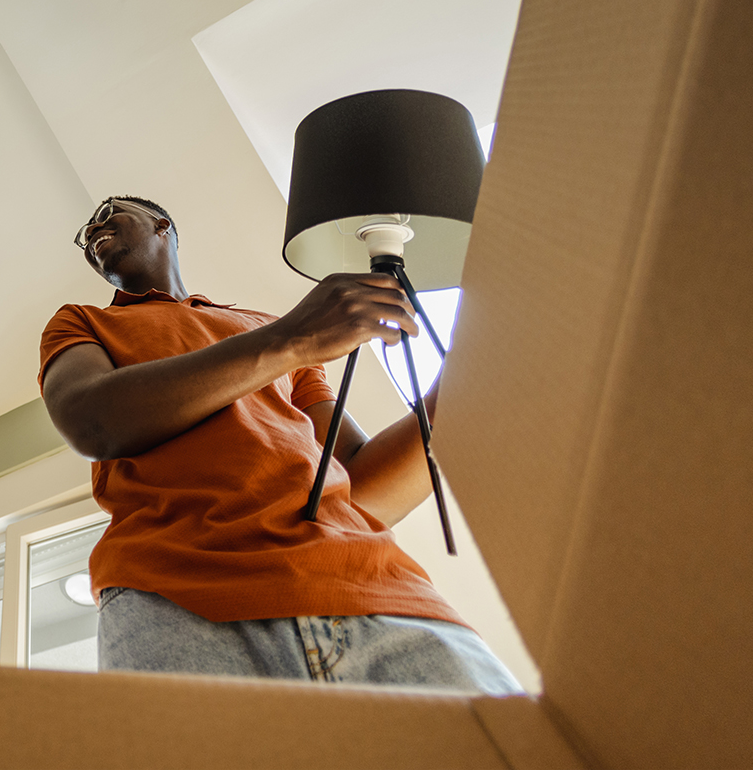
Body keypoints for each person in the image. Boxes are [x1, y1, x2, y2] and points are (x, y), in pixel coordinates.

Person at [38, 195, 519, 691]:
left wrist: (454, 400)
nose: (92, 231)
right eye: (85, 234)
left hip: (377, 592)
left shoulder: (266, 325)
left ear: (163, 225)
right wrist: (293, 338)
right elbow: (92, 421)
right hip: (176, 600)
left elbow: (359, 487)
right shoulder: (80, 322)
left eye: (107, 212)